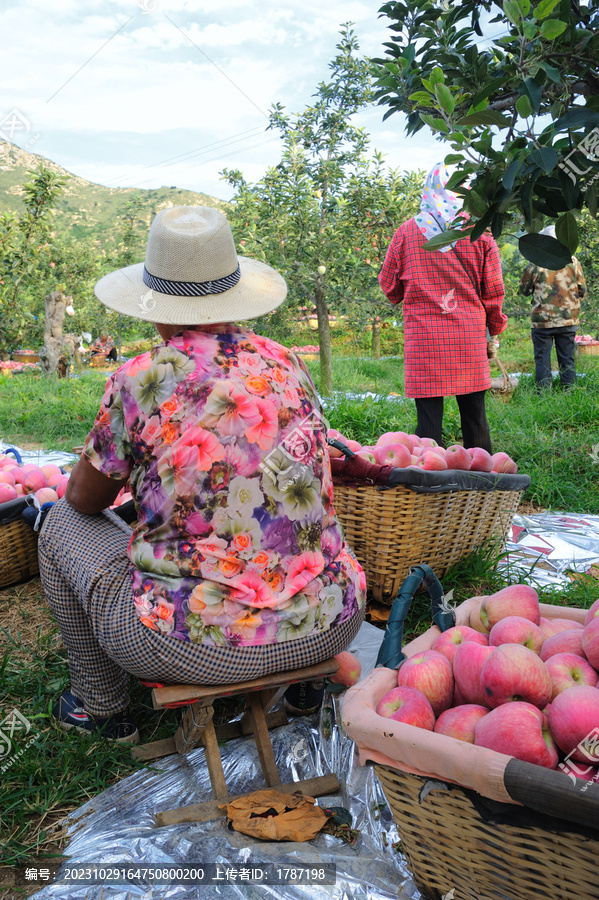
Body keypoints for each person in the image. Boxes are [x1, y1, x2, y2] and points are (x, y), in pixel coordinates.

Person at [38, 206, 366, 743]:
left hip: (195, 644)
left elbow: (84, 500)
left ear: (157, 305)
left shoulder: (142, 377)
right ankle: (298, 685)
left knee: (56, 525)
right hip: (328, 622)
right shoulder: (287, 362)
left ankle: (100, 706)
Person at [378, 163, 507, 453]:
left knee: (428, 425)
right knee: (475, 417)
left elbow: (389, 287)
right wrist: (494, 331)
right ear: (466, 192)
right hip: (469, 338)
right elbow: (494, 292)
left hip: (425, 340)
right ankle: (482, 484)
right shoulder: (480, 234)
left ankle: (431, 484)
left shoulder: (406, 233)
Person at [519, 225, 587, 390]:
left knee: (542, 358)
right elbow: (582, 290)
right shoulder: (572, 260)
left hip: (542, 321)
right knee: (567, 358)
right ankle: (569, 392)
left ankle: (543, 394)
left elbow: (524, 290)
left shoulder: (535, 262)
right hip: (568, 319)